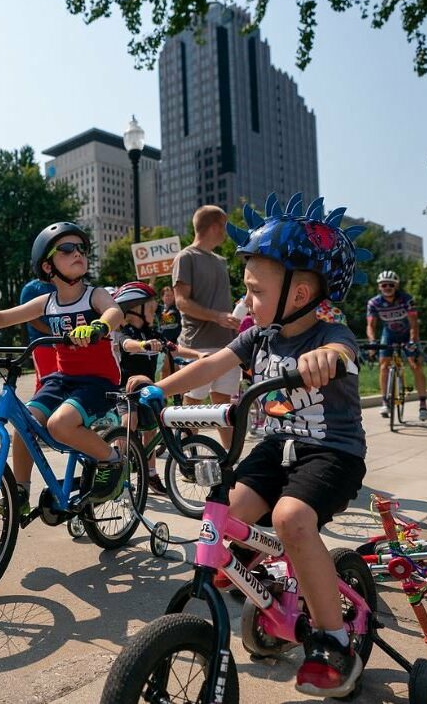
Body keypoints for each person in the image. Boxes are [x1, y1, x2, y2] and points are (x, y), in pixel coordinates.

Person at [128, 193, 371, 698]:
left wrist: (326, 358)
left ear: (300, 294)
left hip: (331, 453)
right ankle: (261, 582)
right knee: (227, 515)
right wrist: (157, 391)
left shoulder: (331, 333)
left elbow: (344, 350)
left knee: (289, 519)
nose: (246, 302)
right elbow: (209, 366)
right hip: (277, 447)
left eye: (255, 292)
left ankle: (332, 639)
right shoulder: (257, 337)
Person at [0, 222, 126, 511]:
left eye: (82, 249)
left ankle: (112, 460)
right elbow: (2, 317)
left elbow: (115, 311)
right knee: (23, 424)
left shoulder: (93, 294)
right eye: (67, 249)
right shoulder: (47, 302)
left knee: (59, 425)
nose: (78, 253)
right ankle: (20, 493)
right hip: (62, 379)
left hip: (98, 381)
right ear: (48, 267)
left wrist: (100, 325)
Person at [112, 281, 200, 495]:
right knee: (129, 423)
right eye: (151, 308)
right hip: (127, 390)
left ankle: (150, 473)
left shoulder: (152, 332)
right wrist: (142, 346)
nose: (155, 312)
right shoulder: (127, 332)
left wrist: (198, 355)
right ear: (135, 309)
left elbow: (174, 348)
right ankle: (116, 468)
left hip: (148, 390)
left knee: (152, 429)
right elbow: (126, 345)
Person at [171, 205, 241, 448]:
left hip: (227, 345)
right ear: (214, 226)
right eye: (224, 226)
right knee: (193, 404)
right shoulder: (186, 257)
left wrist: (234, 316)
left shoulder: (221, 261)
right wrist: (217, 317)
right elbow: (181, 302)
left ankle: (231, 460)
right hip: (198, 346)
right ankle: (188, 457)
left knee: (224, 403)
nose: (226, 233)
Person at [366, 270, 427, 421]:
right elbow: (370, 325)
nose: (387, 287)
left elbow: (414, 323)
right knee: (383, 366)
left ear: (396, 286)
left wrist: (413, 342)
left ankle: (423, 405)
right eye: (384, 285)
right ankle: (385, 402)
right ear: (379, 287)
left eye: (391, 285)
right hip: (389, 334)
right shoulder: (374, 303)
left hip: (408, 334)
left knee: (416, 365)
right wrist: (372, 341)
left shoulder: (407, 300)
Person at [19, 277, 56, 391]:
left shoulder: (63, 285)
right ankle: (38, 408)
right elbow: (31, 318)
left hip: (64, 343)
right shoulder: (31, 288)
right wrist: (53, 332)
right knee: (45, 382)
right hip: (43, 343)